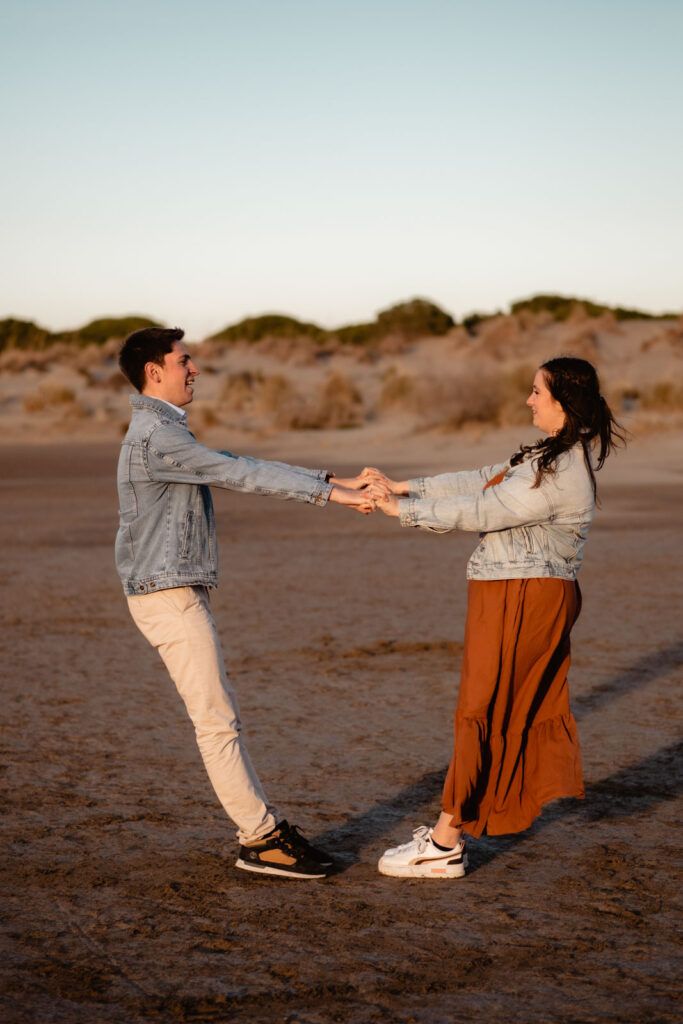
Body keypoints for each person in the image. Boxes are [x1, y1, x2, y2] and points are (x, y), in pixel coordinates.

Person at [115, 326, 382, 880]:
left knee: (219, 717)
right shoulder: (155, 438)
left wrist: (329, 477)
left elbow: (233, 459)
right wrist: (337, 494)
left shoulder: (164, 432)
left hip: (172, 590)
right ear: (153, 372)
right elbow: (239, 473)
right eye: (183, 361)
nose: (194, 370)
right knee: (216, 722)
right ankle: (259, 839)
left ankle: (262, 833)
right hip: (167, 597)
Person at [367, 357, 624, 879]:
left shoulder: (562, 469)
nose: (528, 400)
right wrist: (404, 488)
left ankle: (445, 842)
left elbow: (488, 510)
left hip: (525, 597)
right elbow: (484, 480)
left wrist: (404, 511)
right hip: (511, 591)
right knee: (489, 707)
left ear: (562, 401)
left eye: (536, 392)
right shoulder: (547, 455)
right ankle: (451, 831)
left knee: (485, 709)